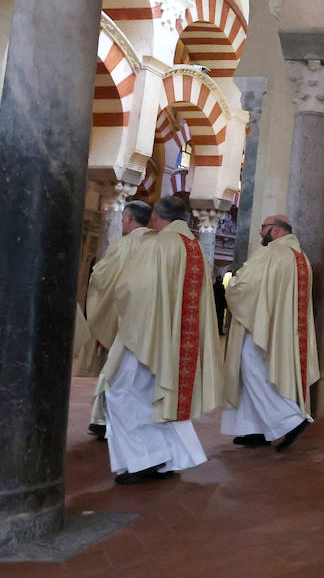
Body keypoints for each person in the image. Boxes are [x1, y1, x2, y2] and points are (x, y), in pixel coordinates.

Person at [96, 195, 223, 484]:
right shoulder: (196, 250)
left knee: (121, 392)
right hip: (181, 342)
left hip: (148, 338)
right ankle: (166, 458)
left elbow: (131, 290)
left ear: (156, 215)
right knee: (158, 396)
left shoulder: (155, 245)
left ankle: (143, 461)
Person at [220, 214, 319, 452]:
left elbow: (244, 286)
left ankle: (290, 420)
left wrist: (231, 287)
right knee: (255, 372)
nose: (259, 233)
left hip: (261, 327)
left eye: (263, 228)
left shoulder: (270, 253)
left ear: (275, 230)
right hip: (286, 330)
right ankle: (255, 430)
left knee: (253, 370)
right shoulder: (300, 257)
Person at [82, 200, 154, 438]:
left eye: (124, 218)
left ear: (131, 220)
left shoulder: (122, 246)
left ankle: (102, 418)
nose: (123, 222)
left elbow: (102, 279)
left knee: (113, 368)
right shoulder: (158, 245)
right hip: (150, 321)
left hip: (120, 318)